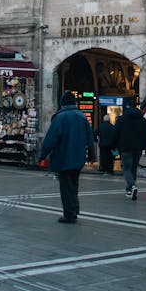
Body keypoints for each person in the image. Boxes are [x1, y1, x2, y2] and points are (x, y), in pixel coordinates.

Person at [38, 91, 94, 223]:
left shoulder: (60, 118)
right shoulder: (82, 117)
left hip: (63, 157)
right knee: (74, 184)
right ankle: (74, 209)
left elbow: (51, 139)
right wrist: (91, 155)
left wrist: (42, 155)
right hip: (78, 158)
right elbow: (90, 138)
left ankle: (69, 214)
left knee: (65, 186)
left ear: (62, 104)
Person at [112, 97, 146, 200]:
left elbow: (115, 134)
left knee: (126, 168)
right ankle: (130, 190)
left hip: (125, 148)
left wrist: (114, 146)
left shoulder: (121, 119)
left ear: (127, 107)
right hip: (138, 148)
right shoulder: (142, 120)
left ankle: (132, 186)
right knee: (133, 168)